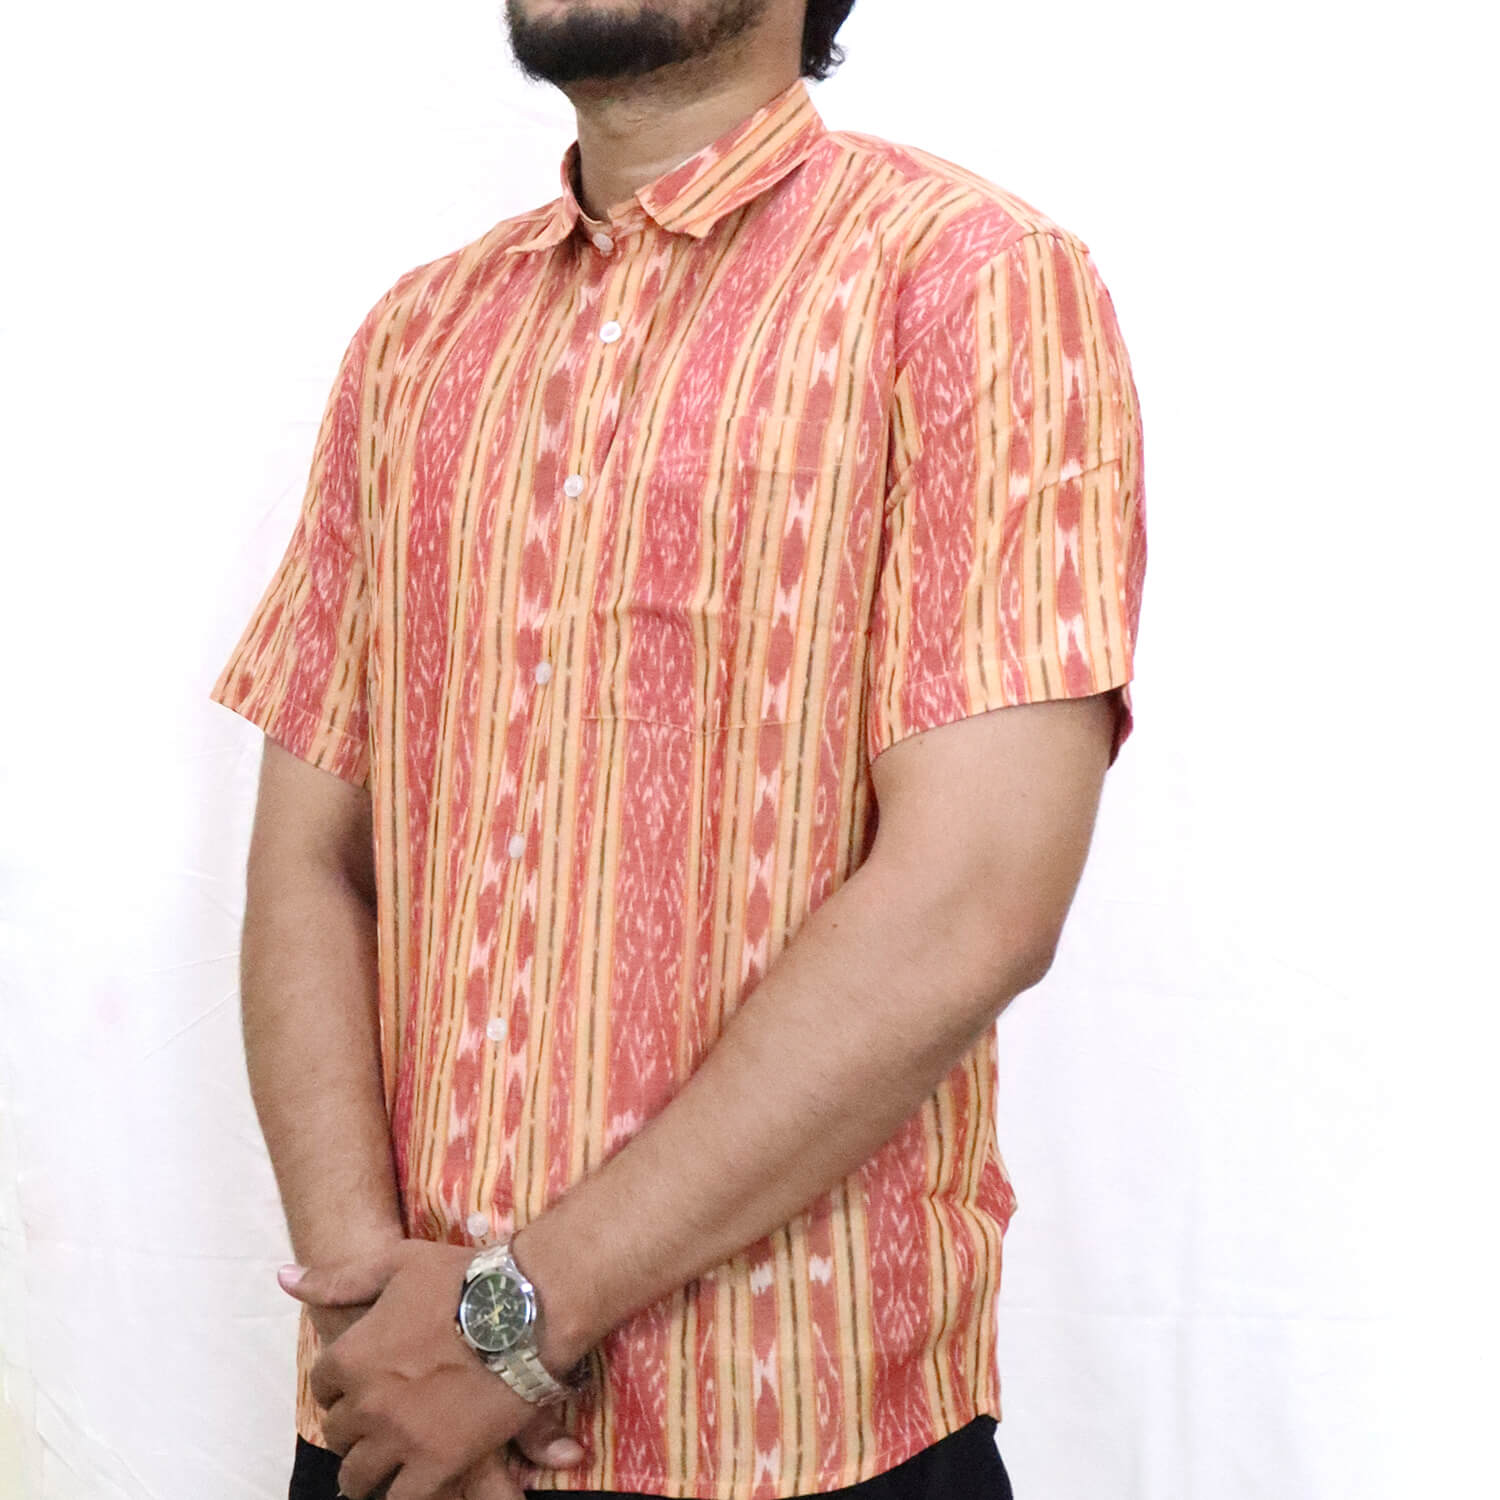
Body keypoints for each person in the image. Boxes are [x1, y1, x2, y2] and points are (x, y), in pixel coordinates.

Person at [209, 1, 1146, 1496]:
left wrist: (503, 1329)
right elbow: (315, 861)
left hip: (796, 1442)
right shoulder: (413, 340)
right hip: (398, 1439)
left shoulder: (972, 282)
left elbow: (976, 896)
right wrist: (376, 1325)